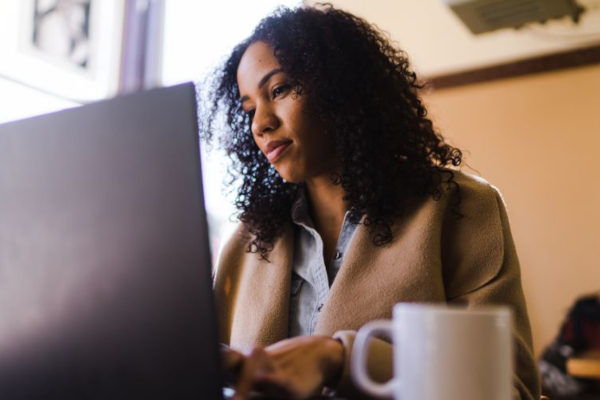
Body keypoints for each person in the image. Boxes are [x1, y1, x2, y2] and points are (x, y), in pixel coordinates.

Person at [202, 4, 540, 400]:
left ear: (339, 86)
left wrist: (345, 359)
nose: (261, 124)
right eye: (250, 109)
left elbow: (508, 389)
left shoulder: (461, 209)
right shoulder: (245, 243)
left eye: (278, 90)